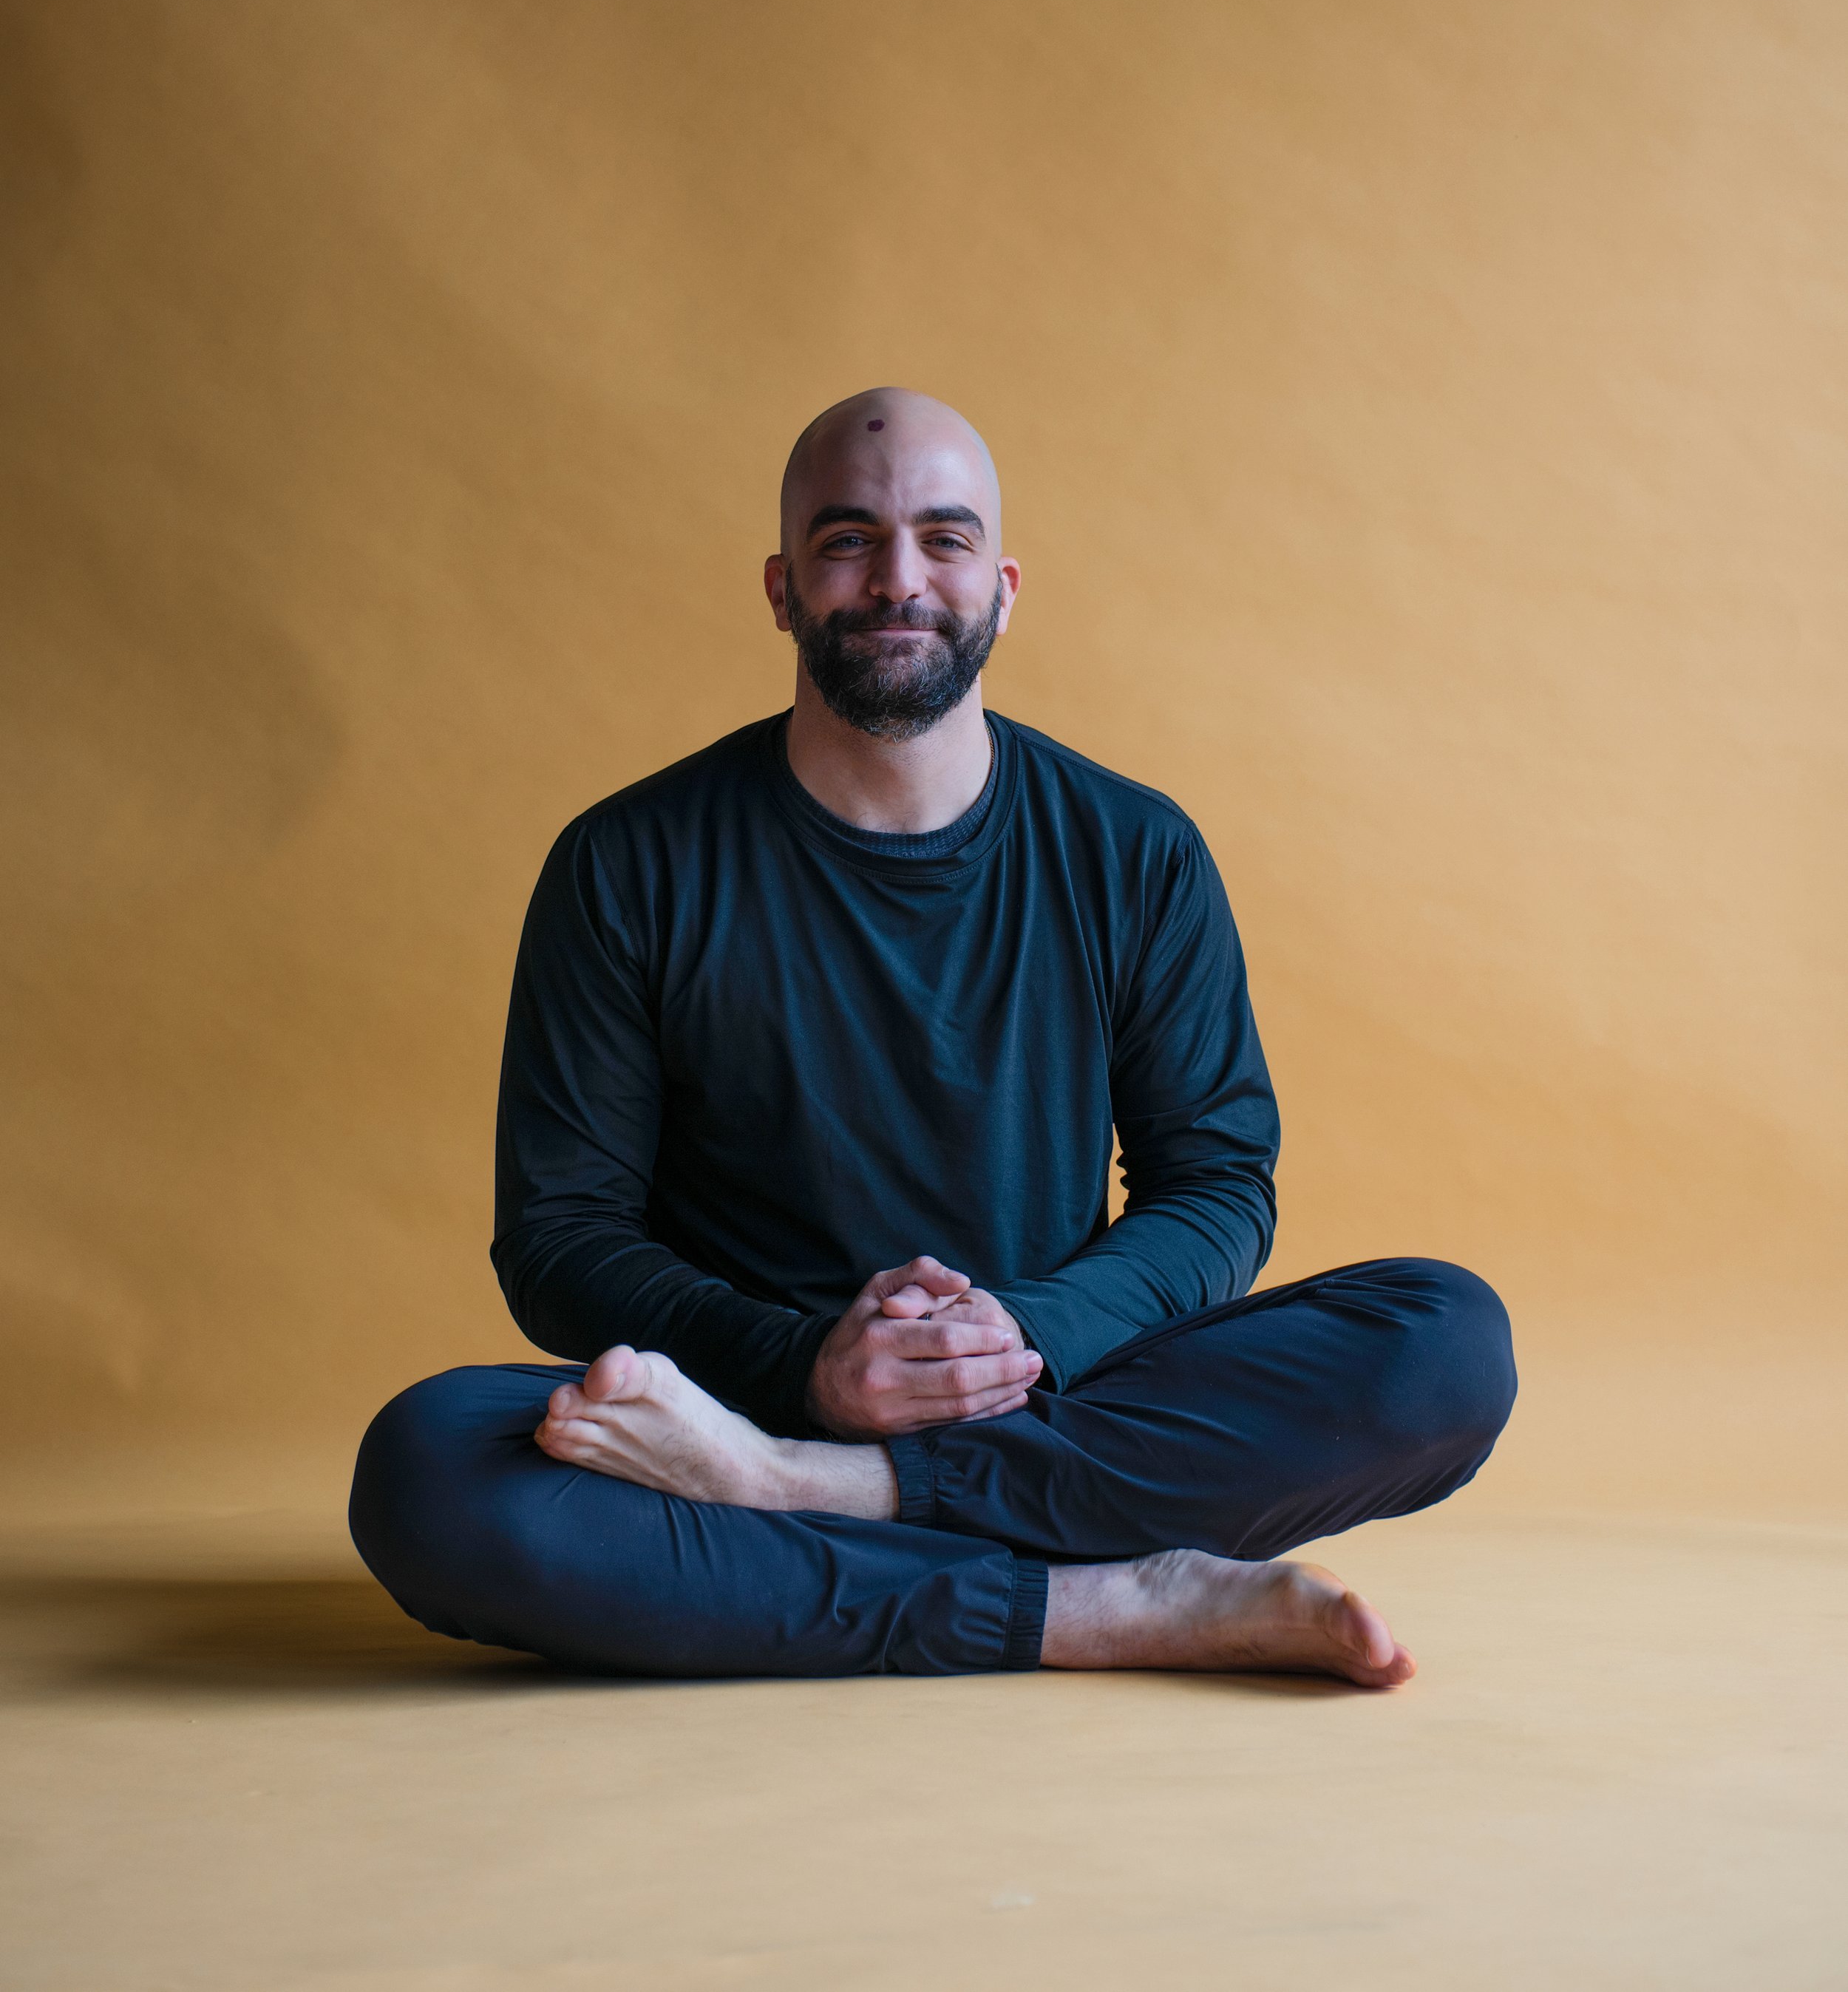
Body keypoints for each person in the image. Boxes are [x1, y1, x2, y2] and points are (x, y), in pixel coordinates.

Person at [350, 387, 1515, 1683]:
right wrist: (807, 1373)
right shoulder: (624, 863)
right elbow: (560, 1236)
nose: (897, 579)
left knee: (1444, 1341)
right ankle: (1106, 1605)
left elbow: (1219, 1186)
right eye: (848, 540)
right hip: (740, 1399)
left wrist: (1024, 1335)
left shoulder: (1138, 852)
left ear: (1004, 586)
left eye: (943, 539)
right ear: (783, 585)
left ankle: (806, 1501)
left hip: (1064, 1401)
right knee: (427, 1465)